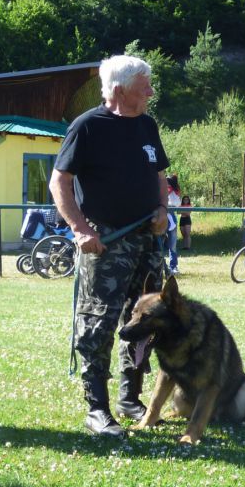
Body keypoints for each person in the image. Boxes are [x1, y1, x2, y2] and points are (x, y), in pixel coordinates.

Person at [50, 54, 169, 438]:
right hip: (106, 243)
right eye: (144, 87)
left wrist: (163, 209)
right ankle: (97, 409)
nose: (151, 92)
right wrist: (81, 229)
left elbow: (160, 175)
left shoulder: (148, 125)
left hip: (147, 242)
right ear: (119, 90)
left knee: (145, 321)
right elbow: (58, 182)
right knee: (97, 324)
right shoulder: (87, 127)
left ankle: (129, 398)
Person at [166, 174, 182, 275]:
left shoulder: (174, 192)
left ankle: (173, 266)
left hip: (171, 216)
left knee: (173, 245)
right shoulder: (162, 190)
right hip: (163, 215)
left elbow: (177, 204)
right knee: (158, 244)